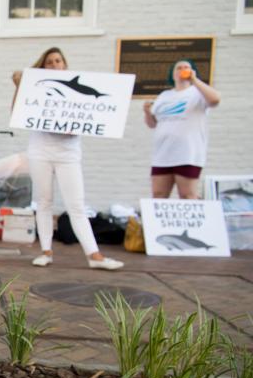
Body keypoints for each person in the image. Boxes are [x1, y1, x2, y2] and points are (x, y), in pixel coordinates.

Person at [12, 48, 123, 270]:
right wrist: (20, 87)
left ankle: (94, 255)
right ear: (43, 67)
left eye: (58, 61)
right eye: (49, 62)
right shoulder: (41, 88)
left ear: (65, 64)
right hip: (40, 150)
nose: (54, 65)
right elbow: (17, 112)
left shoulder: (76, 90)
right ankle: (46, 251)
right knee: (43, 201)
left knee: (76, 204)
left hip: (68, 153)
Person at [142, 60, 221, 199]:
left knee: (187, 195)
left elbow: (215, 100)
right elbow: (153, 124)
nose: (183, 69)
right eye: (179, 68)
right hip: (163, 154)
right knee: (158, 195)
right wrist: (147, 112)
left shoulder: (197, 93)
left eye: (187, 67)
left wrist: (194, 80)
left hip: (187, 153)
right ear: (173, 74)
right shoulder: (164, 96)